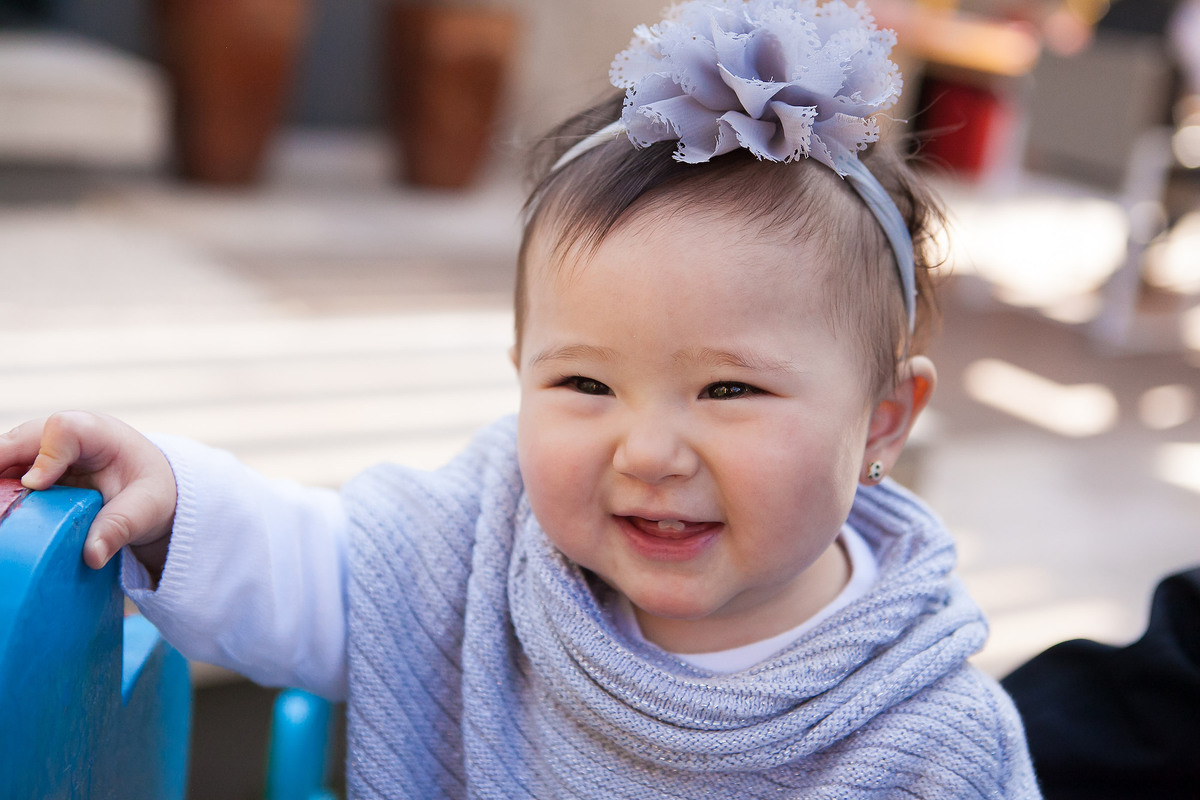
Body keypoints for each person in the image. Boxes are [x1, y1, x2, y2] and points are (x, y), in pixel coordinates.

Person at [0, 1, 1040, 797]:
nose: (649, 450)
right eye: (584, 381)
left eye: (729, 387)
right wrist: (174, 496)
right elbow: (331, 569)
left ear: (885, 421)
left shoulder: (930, 737)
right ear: (519, 370)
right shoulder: (489, 538)